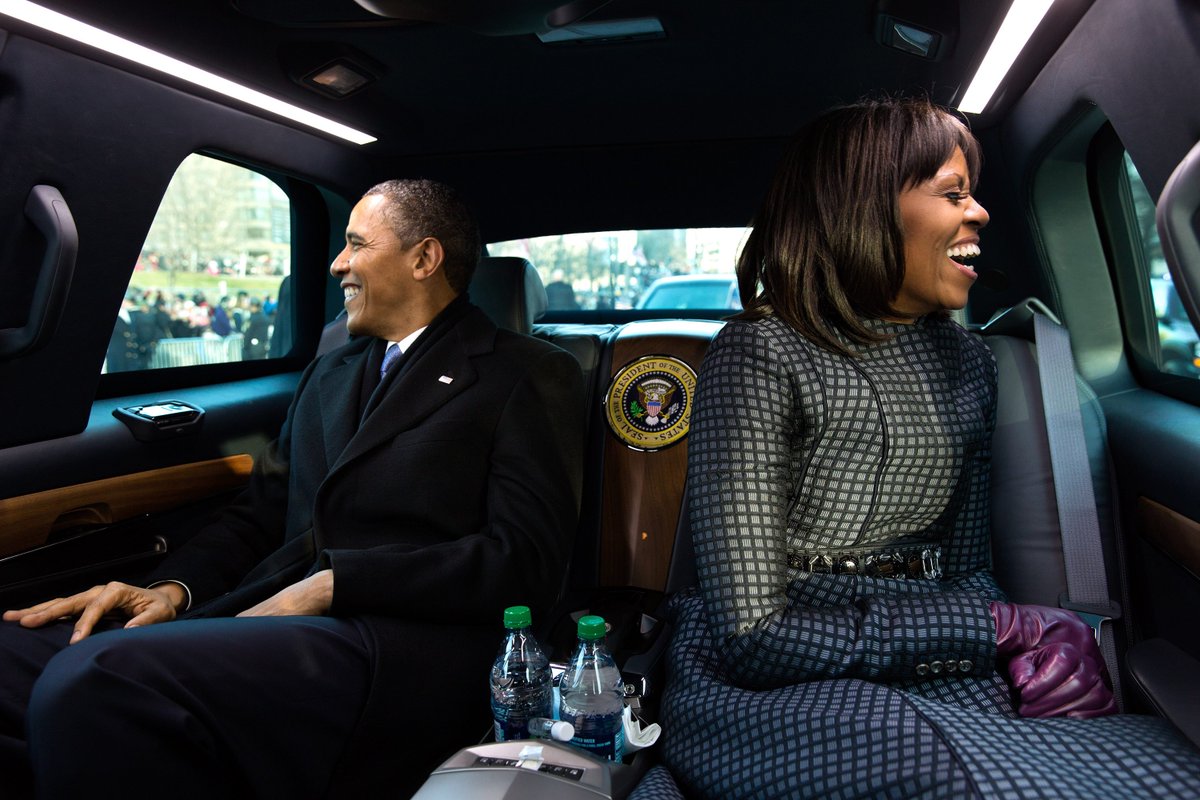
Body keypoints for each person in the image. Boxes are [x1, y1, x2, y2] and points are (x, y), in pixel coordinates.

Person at [633, 98, 1200, 799]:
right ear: (864, 211)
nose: (981, 213)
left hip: (937, 660)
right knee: (949, 775)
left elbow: (964, 571)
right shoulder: (758, 352)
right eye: (953, 192)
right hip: (768, 682)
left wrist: (1039, 648)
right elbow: (754, 635)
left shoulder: (970, 363)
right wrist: (996, 626)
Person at [0, 178, 586, 798]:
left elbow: (527, 561)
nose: (337, 264)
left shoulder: (526, 373)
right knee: (11, 663)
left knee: (95, 678)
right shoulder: (330, 371)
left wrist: (336, 584)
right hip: (277, 620)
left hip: (400, 644)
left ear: (424, 258)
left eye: (357, 244)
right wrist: (171, 590)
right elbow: (256, 517)